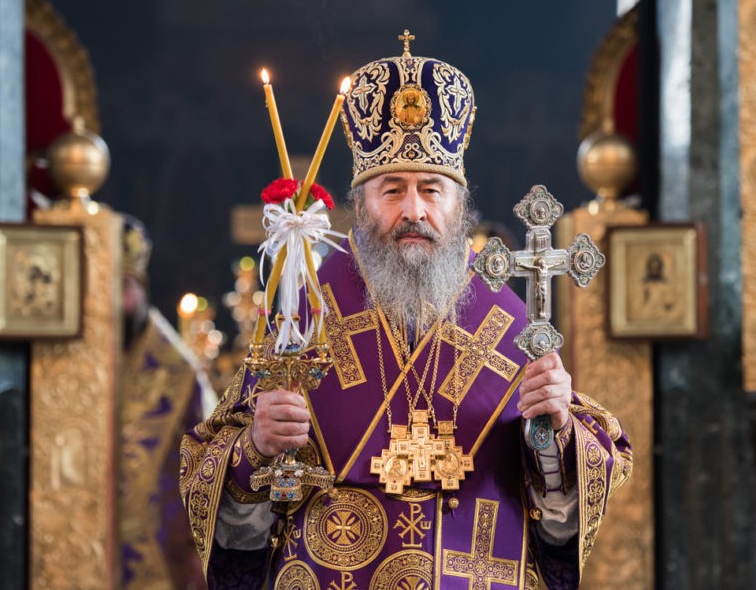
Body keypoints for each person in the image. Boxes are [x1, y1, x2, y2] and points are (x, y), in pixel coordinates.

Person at [180, 38, 632, 588]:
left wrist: (553, 434)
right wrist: (255, 447)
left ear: (458, 204)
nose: (413, 210)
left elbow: (560, 526)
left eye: (432, 190)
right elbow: (230, 524)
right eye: (392, 190)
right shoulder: (305, 319)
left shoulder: (509, 324)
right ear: (361, 203)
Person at [119, 214, 217, 589]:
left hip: (165, 555)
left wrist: (198, 551)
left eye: (124, 286)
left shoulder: (179, 373)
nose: (116, 300)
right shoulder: (76, 362)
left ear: (141, 288)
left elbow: (210, 466)